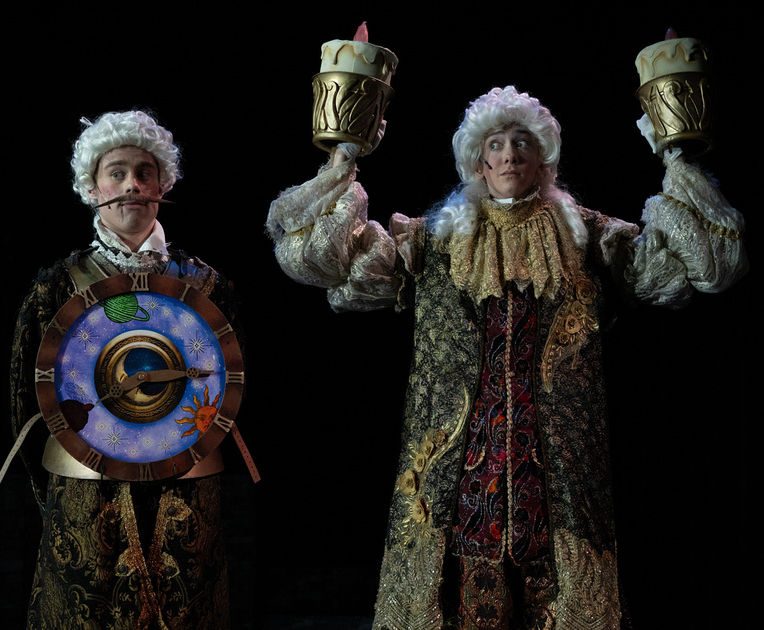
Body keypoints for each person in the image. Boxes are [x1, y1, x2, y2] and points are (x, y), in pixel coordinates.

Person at [266, 86, 747, 629]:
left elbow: (697, 268)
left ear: (542, 156)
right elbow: (326, 262)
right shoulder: (430, 241)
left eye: (522, 142)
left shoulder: (589, 237)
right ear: (478, 160)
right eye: (496, 143)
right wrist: (343, 156)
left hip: (558, 475)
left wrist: (677, 153)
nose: (510, 154)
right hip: (455, 472)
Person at [11, 111, 240, 629]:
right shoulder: (55, 287)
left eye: (144, 171)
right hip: (87, 490)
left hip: (186, 486)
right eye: (116, 172)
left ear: (163, 185)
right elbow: (26, 396)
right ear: (92, 187)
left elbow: (233, 385)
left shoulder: (206, 284)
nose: (131, 185)